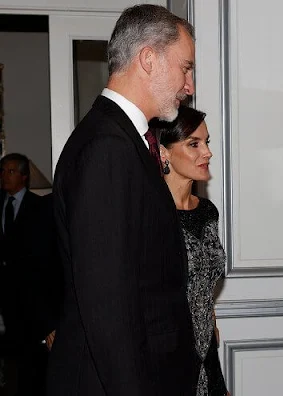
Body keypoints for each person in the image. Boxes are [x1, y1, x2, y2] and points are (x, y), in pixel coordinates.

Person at [47, 4, 200, 395]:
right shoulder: (107, 149)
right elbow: (108, 305)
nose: (189, 86)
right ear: (148, 59)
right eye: (185, 67)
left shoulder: (126, 140)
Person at [149, 106, 229, 396]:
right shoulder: (151, 215)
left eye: (206, 143)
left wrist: (211, 319)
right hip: (165, 354)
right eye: (193, 144)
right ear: (164, 153)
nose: (206, 152)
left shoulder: (208, 212)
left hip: (206, 349)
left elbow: (203, 283)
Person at [0, 153, 59, 396]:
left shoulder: (40, 207)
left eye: (11, 171)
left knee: (28, 357)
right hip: (4, 290)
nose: (5, 176)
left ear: (24, 176)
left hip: (29, 294)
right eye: (3, 170)